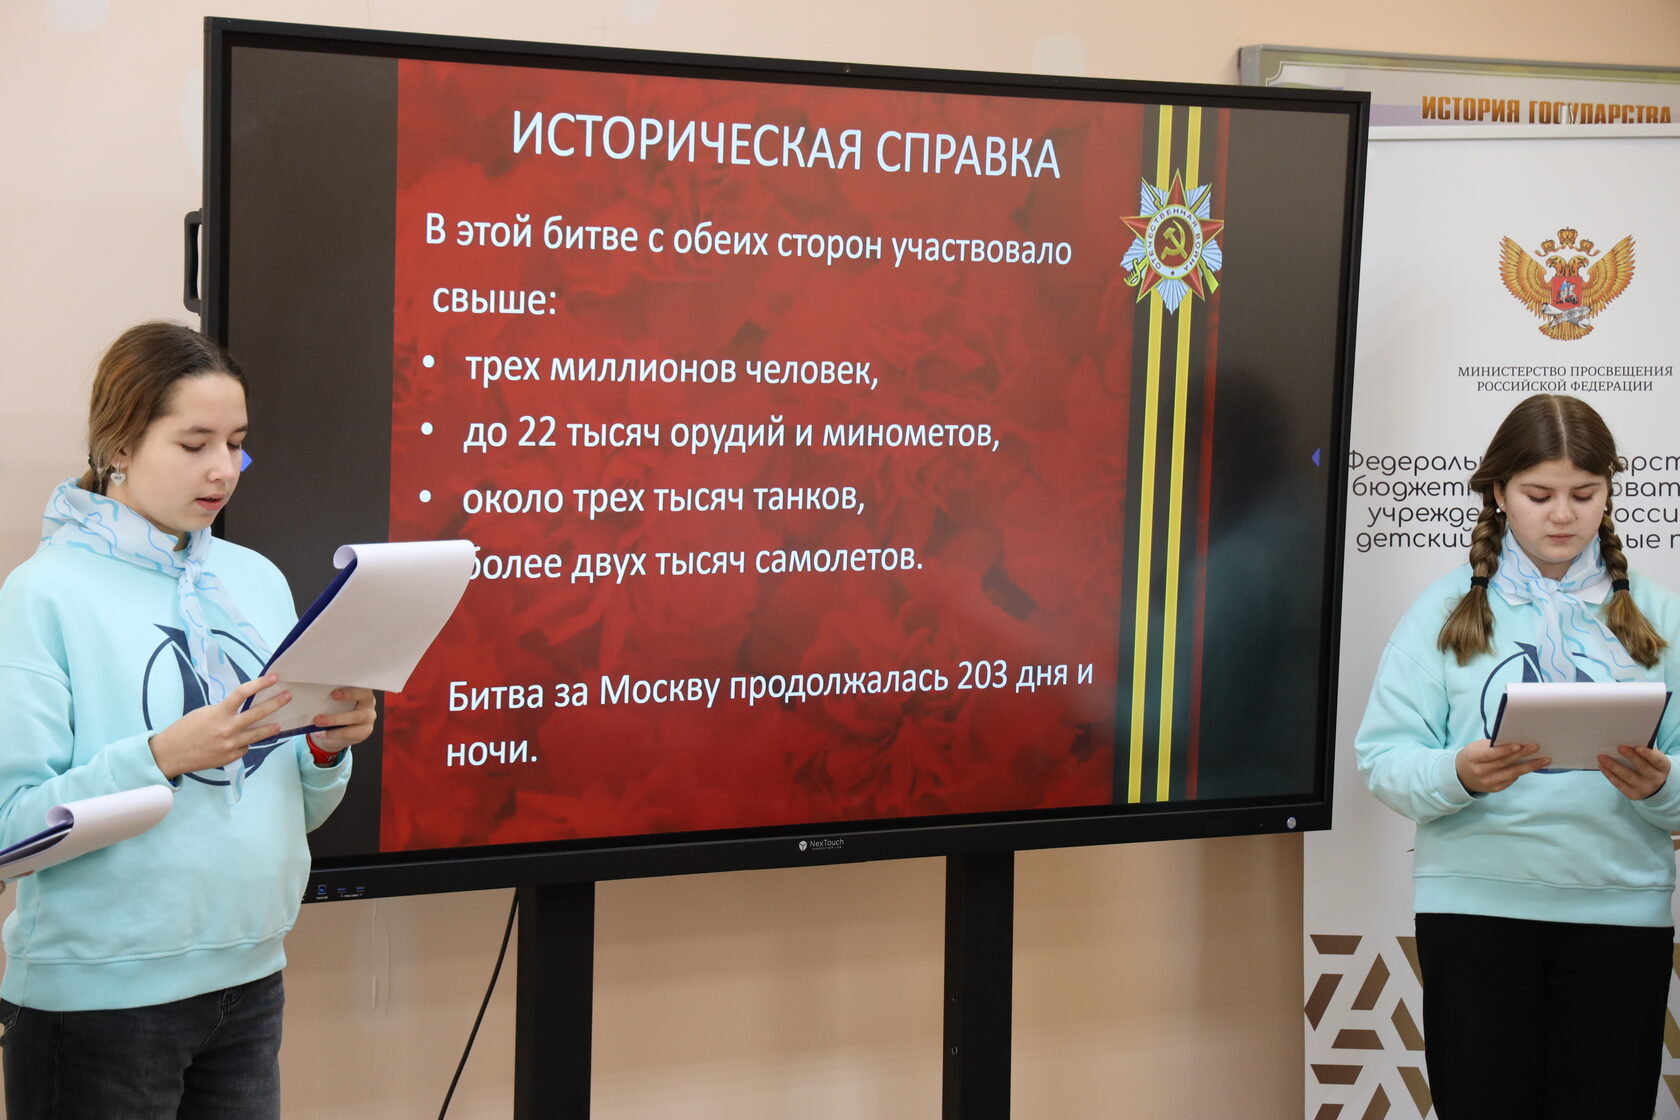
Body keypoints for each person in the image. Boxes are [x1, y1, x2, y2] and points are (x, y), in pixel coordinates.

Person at [0, 322, 377, 1119]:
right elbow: (11, 829)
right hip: (100, 1003)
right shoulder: (43, 595)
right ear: (121, 444)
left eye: (236, 444)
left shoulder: (255, 580)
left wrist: (323, 749)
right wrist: (162, 755)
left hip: (250, 980)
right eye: (194, 443)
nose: (222, 469)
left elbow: (294, 812)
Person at [1356, 393, 1680, 1119]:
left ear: (1608, 494)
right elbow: (1382, 757)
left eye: (1583, 495)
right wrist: (1457, 774)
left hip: (1620, 913)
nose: (1563, 515)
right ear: (1499, 492)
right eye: (1539, 495)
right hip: (1474, 914)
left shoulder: (1661, 616)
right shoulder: (1442, 612)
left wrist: (1663, 786)